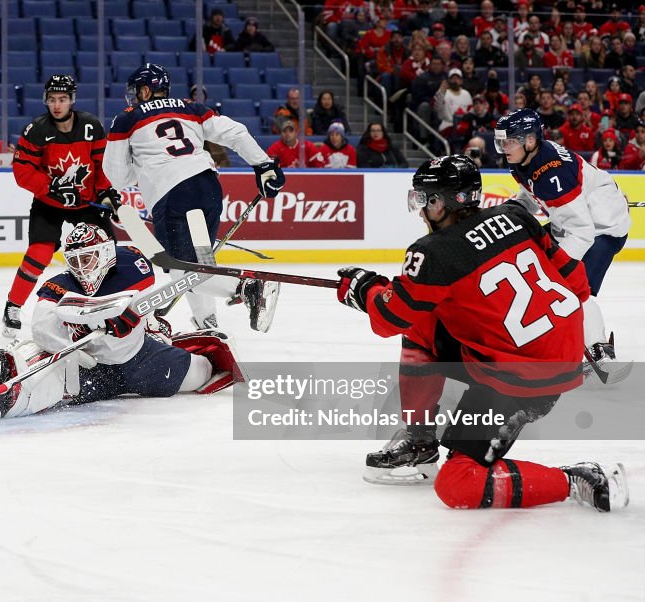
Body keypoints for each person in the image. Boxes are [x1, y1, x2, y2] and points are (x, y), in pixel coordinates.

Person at [337, 154, 628, 511]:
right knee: (424, 320)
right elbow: (576, 281)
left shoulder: (434, 253)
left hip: (520, 378)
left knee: (458, 483)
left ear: (440, 203)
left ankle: (575, 480)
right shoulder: (516, 215)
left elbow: (388, 317)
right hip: (548, 351)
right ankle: (420, 442)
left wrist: (362, 288)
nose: (421, 209)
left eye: (424, 199)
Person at [0, 223, 240, 420]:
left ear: (104, 255)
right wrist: (77, 353)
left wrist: (131, 315)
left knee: (203, 371)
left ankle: (169, 339)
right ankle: (11, 380)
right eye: (74, 261)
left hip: (144, 359)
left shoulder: (131, 266)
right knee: (53, 386)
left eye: (87, 259)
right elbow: (43, 331)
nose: (81, 268)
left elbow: (156, 293)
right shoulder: (59, 287)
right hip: (94, 368)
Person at [103, 64, 285, 332]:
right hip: (206, 186)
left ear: (145, 90)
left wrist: (141, 170)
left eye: (135, 92)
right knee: (200, 264)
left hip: (173, 194)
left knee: (181, 270)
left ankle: (246, 287)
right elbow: (235, 132)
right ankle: (208, 325)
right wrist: (263, 165)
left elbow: (117, 176)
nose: (133, 98)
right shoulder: (191, 107)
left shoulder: (126, 118)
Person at [494, 109, 631, 374]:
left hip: (602, 230)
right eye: (502, 140)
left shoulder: (552, 172)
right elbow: (531, 193)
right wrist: (511, 210)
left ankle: (599, 351)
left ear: (530, 140)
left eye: (509, 140)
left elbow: (582, 231)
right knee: (522, 260)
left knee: (576, 290)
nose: (503, 147)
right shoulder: (526, 159)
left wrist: (558, 270)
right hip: (575, 221)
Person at [3, 74, 114, 338]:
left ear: (71, 100)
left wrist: (107, 192)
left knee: (106, 252)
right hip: (48, 203)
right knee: (39, 253)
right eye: (52, 99)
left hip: (85, 203)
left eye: (62, 99)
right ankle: (13, 306)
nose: (57, 105)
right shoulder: (37, 131)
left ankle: (109, 305)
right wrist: (50, 187)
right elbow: (22, 170)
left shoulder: (91, 127)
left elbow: (102, 165)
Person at [189, 85, 231, 167]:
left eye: (201, 94)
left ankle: (219, 164)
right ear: (192, 96)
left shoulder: (211, 110)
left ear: (205, 96)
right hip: (193, 137)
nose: (198, 97)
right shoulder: (186, 110)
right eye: (195, 94)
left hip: (209, 137)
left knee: (215, 138)